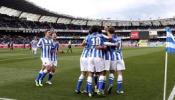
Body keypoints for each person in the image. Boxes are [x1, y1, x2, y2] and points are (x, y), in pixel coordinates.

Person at [105, 27, 126, 94]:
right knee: (119, 73)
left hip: (113, 57)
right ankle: (119, 90)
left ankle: (111, 84)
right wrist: (108, 31)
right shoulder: (119, 38)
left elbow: (109, 39)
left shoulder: (110, 39)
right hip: (120, 57)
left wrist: (106, 31)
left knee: (112, 72)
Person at [86, 26, 105, 97]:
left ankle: (90, 92)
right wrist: (102, 47)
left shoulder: (89, 36)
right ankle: (99, 90)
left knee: (90, 74)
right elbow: (104, 45)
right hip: (98, 57)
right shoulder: (101, 36)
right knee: (101, 73)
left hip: (90, 57)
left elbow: (87, 45)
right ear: (97, 30)